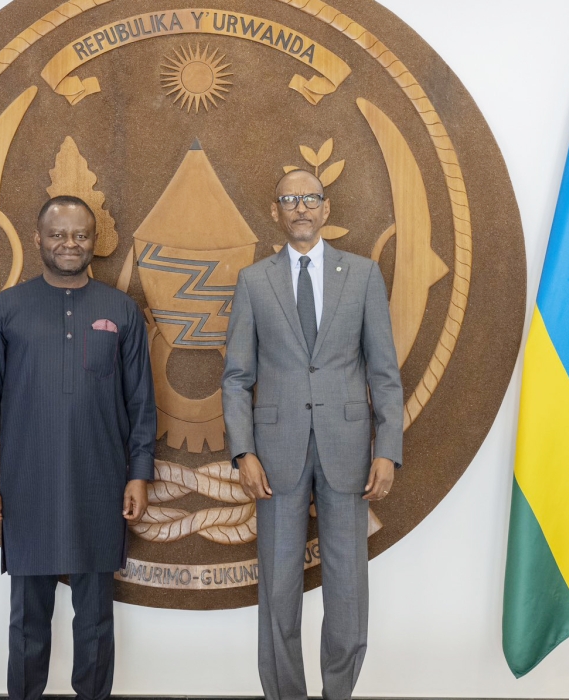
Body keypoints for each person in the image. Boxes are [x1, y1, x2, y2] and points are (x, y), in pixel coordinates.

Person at [222, 170, 404, 700]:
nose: (300, 207)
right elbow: (236, 377)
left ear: (325, 210)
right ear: (275, 212)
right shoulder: (255, 281)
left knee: (346, 587)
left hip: (348, 450)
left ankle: (339, 693)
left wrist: (387, 450)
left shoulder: (364, 275)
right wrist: (243, 452)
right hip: (274, 455)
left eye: (310, 199)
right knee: (279, 588)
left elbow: (383, 373)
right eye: (289, 200)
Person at [0, 195, 156, 700]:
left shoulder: (121, 311)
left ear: (95, 242)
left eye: (80, 235)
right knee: (28, 622)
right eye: (58, 235)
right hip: (28, 484)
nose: (69, 244)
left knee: (95, 620)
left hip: (101, 483)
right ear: (37, 240)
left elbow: (141, 401)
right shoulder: (6, 309)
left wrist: (139, 473)